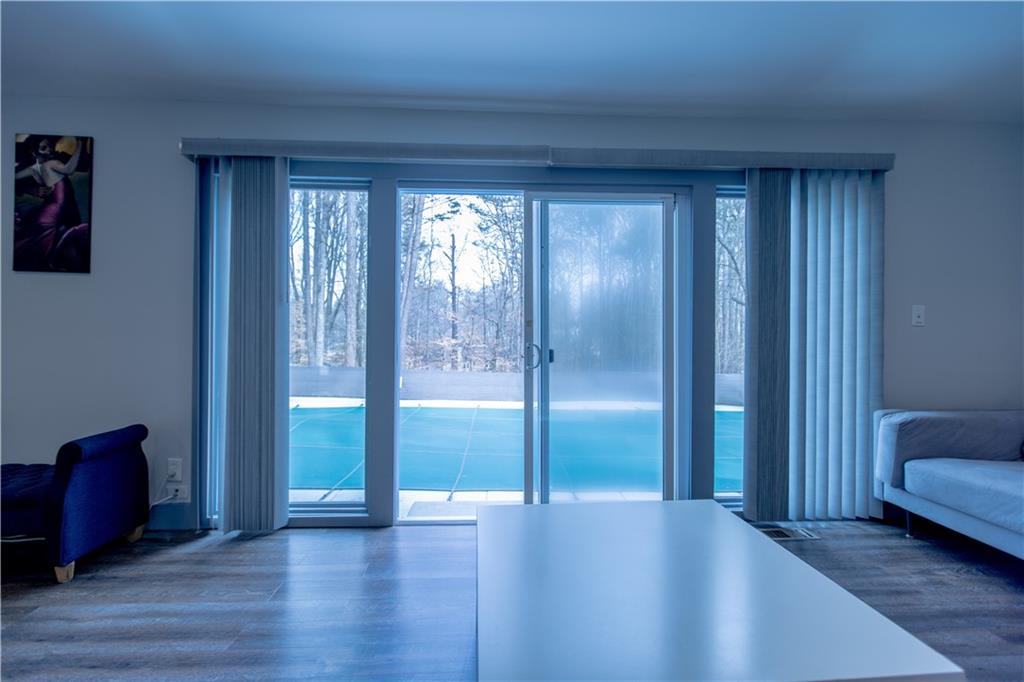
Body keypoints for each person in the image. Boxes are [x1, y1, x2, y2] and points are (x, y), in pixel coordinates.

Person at [13, 135, 91, 272]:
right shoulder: (51, 163)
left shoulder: (33, 169)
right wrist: (79, 144)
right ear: (34, 152)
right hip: (60, 208)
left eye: (49, 146)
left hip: (48, 210)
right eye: (44, 148)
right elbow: (70, 169)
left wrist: (32, 190)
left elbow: (12, 176)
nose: (49, 150)